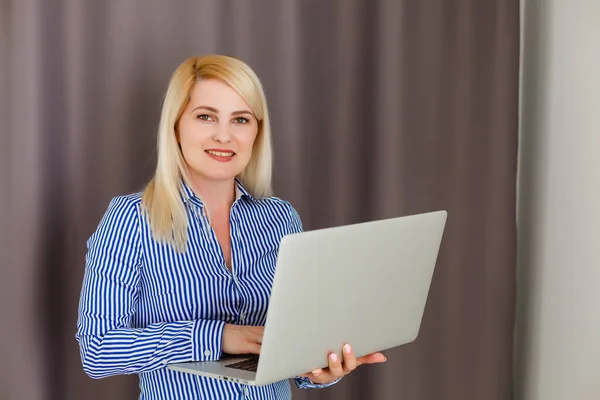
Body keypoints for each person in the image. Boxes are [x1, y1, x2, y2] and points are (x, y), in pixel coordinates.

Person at [76, 54, 386, 399]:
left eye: (240, 119)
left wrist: (320, 371)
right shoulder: (131, 218)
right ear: (176, 126)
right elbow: (98, 350)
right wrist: (219, 336)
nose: (224, 136)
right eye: (206, 116)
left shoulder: (281, 219)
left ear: (257, 132)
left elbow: (291, 349)